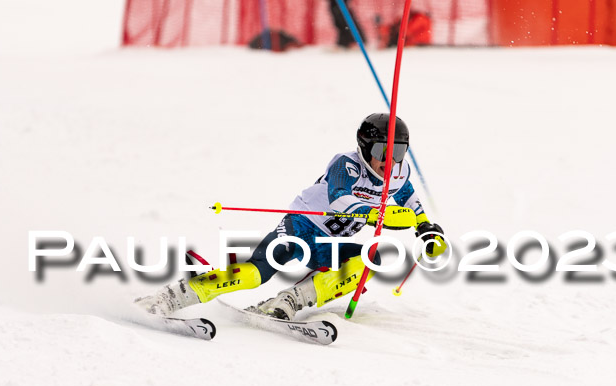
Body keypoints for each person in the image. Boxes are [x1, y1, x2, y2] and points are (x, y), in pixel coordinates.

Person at [134, 113, 447, 320]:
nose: (388, 162)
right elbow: (342, 201)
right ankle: (177, 295)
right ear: (365, 147)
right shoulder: (345, 165)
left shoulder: (398, 172)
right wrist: (381, 213)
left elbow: (412, 202)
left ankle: (292, 299)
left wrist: (428, 232)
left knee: (373, 258)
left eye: (398, 152)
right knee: (257, 273)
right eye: (381, 151)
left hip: (328, 242)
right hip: (300, 226)